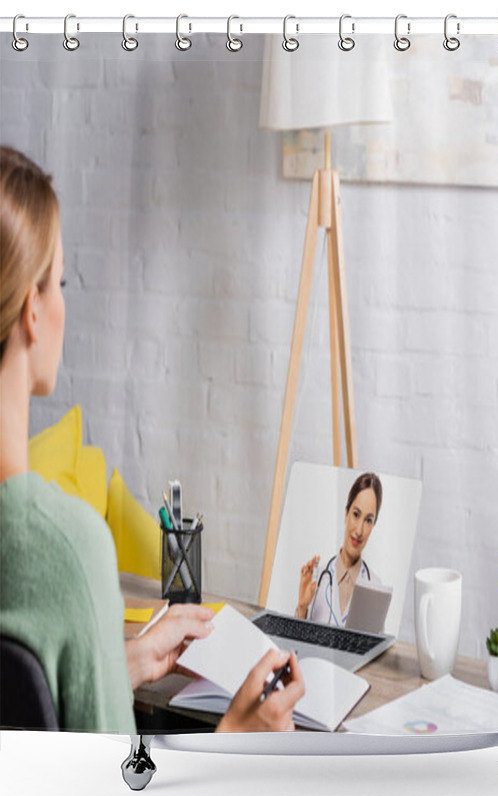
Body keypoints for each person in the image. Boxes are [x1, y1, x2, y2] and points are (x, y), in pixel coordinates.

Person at [0, 145, 304, 734]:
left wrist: (120, 664)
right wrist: (234, 736)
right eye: (58, 280)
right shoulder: (65, 547)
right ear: (33, 310)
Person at [296, 472, 383, 626]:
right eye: (356, 514)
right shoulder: (317, 581)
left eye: (368, 520)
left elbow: (377, 648)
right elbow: (296, 647)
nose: (359, 531)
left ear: (373, 526)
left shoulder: (375, 587)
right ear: (346, 514)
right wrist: (302, 608)